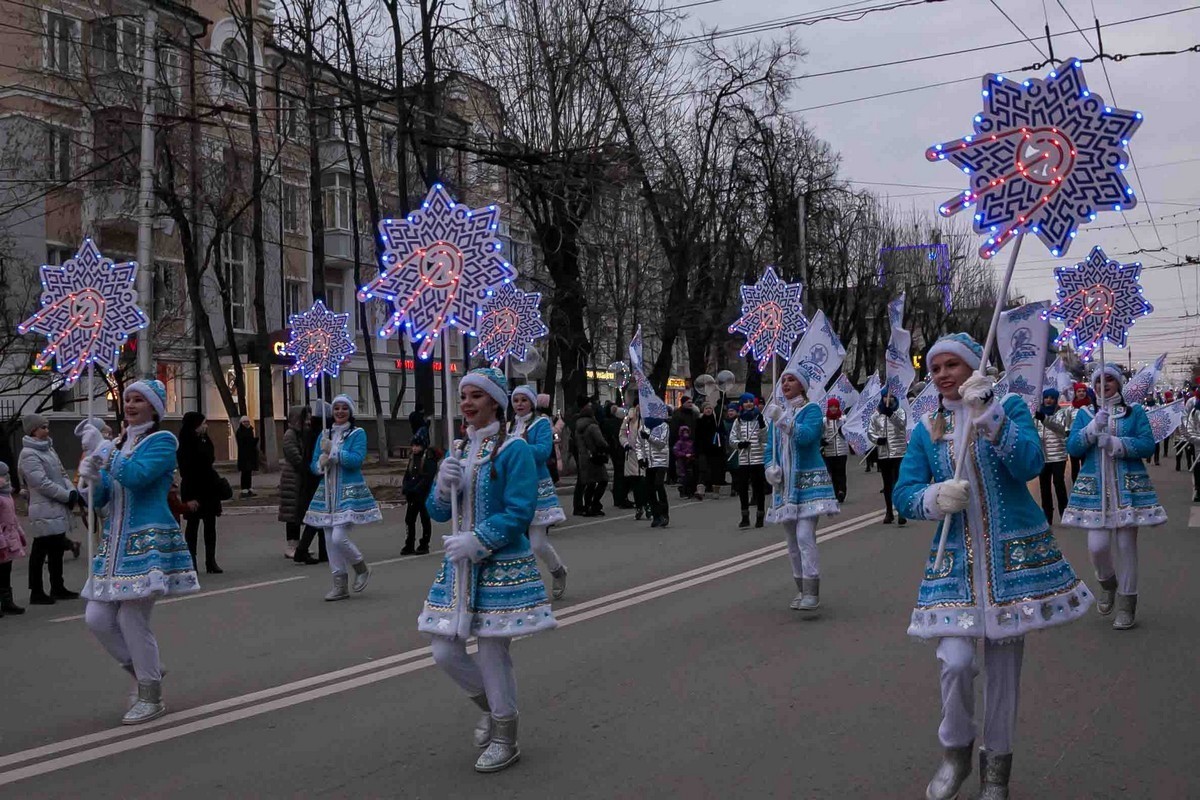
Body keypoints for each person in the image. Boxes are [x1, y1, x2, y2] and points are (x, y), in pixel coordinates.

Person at [893, 334, 1092, 800]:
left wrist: (988, 413)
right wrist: (933, 497)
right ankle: (955, 751)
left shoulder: (1010, 408)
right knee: (955, 661)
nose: (942, 374)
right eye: (935, 367)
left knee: (1004, 674)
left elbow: (1029, 465)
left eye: (951, 365)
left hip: (1013, 561)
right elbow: (904, 493)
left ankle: (996, 773)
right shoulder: (927, 427)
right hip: (955, 565)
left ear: (972, 365)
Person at [419, 368, 556, 774]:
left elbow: (520, 510)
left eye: (476, 396)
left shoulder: (514, 449)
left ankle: (504, 736)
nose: (467, 403)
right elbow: (438, 512)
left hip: (501, 565)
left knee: (493, 652)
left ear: (495, 402)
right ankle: (491, 709)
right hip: (460, 568)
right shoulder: (458, 449)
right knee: (444, 650)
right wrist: (441, 485)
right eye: (464, 396)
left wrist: (478, 540)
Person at [78, 380, 199, 724]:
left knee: (131, 618)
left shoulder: (163, 442)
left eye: (138, 400)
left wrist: (103, 451)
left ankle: (150, 694)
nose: (130, 405)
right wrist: (91, 479)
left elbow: (137, 476)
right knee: (97, 618)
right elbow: (103, 499)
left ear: (154, 409)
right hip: (114, 545)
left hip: (146, 542)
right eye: (127, 399)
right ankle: (147, 670)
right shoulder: (118, 443)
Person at [1063, 363, 1166, 630]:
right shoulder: (1085, 413)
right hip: (1096, 493)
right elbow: (1073, 447)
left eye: (1109, 380)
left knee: (1126, 547)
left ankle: (1127, 604)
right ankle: (1107, 582)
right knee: (1097, 547)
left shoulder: (1135, 412)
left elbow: (1147, 445)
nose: (1103, 385)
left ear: (1119, 383)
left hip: (1128, 491)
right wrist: (1091, 430)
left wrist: (1117, 443)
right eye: (1099, 381)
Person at [764, 369, 840, 611]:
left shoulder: (812, 410)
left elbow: (806, 437)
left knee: (805, 535)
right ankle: (801, 589)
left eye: (791, 379)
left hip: (808, 484)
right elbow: (770, 448)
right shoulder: (778, 414)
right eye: (783, 380)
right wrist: (769, 467)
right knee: (791, 541)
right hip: (785, 486)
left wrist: (782, 419)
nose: (786, 383)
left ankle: (812, 591)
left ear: (802, 386)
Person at [304, 395, 380, 601]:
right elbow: (314, 465)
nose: (339, 412)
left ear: (350, 412)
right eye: (336, 408)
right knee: (330, 541)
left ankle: (361, 568)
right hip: (327, 493)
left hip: (348, 493)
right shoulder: (325, 434)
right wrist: (320, 463)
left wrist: (334, 451)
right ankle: (339, 585)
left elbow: (356, 460)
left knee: (339, 537)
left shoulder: (358, 433)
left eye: (344, 408)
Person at [510, 385, 569, 599]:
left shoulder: (541, 423)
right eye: (516, 400)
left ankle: (558, 570)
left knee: (537, 543)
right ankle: (519, 586)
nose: (519, 404)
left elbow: (544, 451)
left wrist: (521, 447)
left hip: (536, 488)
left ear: (532, 403)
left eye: (523, 400)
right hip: (514, 489)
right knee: (513, 544)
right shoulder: (510, 425)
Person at [18, 413, 80, 604]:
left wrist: (71, 491)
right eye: (43, 427)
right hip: (43, 507)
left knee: (57, 549)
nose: (47, 430)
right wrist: (65, 495)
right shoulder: (29, 454)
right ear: (33, 430)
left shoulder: (49, 449)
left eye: (47, 426)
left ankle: (57, 586)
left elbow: (62, 473)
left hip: (57, 506)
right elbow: (41, 483)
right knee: (40, 550)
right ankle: (36, 591)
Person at [177, 411, 224, 574]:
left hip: (209, 488)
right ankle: (192, 561)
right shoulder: (185, 442)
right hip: (193, 488)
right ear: (195, 425)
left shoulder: (205, 439)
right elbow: (188, 466)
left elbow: (210, 458)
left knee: (210, 524)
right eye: (203, 423)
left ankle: (211, 561)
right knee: (193, 525)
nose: (206, 426)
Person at [292, 405, 328, 565]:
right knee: (318, 516)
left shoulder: (310, 432)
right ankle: (302, 550)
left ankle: (322, 551)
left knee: (320, 516)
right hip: (315, 479)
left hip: (309, 479)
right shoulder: (320, 433)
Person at [869, 392, 908, 525]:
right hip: (884, 453)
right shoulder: (876, 415)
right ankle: (889, 511)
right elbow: (870, 431)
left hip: (899, 453)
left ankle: (901, 512)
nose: (888, 399)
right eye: (886, 396)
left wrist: (890, 414)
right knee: (887, 484)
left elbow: (902, 425)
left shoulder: (900, 412)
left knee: (898, 482)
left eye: (891, 396)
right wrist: (877, 439)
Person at [729, 393, 767, 529]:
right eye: (746, 402)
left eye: (751, 401)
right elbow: (732, 439)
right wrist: (740, 444)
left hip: (758, 459)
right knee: (743, 488)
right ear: (742, 404)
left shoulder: (760, 418)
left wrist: (762, 426)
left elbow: (766, 439)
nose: (748, 404)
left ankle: (760, 516)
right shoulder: (738, 421)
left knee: (759, 488)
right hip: (744, 459)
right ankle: (745, 516)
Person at [279, 406, 311, 560]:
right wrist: (306, 467)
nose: (309, 421)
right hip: (292, 478)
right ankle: (291, 546)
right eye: (306, 418)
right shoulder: (290, 435)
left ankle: (298, 545)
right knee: (291, 513)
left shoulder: (302, 434)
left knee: (297, 512)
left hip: (299, 477)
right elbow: (294, 456)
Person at [1034, 389, 1070, 523]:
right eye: (1046, 397)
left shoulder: (1061, 413)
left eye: (1052, 398)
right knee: (1044, 486)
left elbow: (1062, 430)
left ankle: (1064, 513)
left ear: (1056, 400)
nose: (1048, 400)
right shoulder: (1036, 415)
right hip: (1043, 456)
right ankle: (1047, 516)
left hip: (1058, 455)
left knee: (1059, 483)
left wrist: (1045, 419)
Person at [401, 430, 438, 555]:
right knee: (409, 520)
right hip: (412, 495)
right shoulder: (413, 458)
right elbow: (408, 474)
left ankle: (424, 544)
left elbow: (427, 477)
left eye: (417, 446)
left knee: (424, 519)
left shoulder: (429, 458)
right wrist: (406, 487)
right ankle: (409, 543)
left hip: (424, 495)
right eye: (413, 445)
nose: (414, 448)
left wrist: (416, 489)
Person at [0, 462, 28, 617]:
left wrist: (20, 533)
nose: (5, 479)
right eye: (2, 476)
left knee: (6, 571)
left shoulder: (7, 495)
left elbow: (13, 518)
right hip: (2, 540)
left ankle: (6, 602)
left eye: (6, 475)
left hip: (9, 539)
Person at [574, 398, 609, 517]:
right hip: (595, 457)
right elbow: (600, 441)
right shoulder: (592, 426)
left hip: (583, 457)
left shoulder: (578, 426)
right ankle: (594, 504)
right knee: (603, 480)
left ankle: (587, 506)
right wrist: (607, 446)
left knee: (590, 483)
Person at [619, 398, 648, 520]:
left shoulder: (648, 419)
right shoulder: (629, 419)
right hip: (632, 454)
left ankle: (647, 504)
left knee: (645, 481)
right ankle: (639, 506)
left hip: (646, 454)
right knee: (637, 481)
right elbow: (622, 434)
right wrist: (625, 444)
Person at [640, 411, 670, 527]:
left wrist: (649, 437)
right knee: (649, 488)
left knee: (659, 485)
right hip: (649, 462)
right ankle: (656, 515)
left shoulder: (663, 426)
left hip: (661, 460)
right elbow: (639, 444)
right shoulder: (643, 426)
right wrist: (641, 458)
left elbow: (662, 443)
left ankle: (664, 514)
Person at [821, 398, 849, 504]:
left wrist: (843, 431)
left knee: (841, 471)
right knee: (832, 473)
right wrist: (822, 441)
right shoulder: (824, 421)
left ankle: (842, 491)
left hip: (842, 451)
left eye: (835, 406)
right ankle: (835, 492)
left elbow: (848, 433)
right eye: (831, 407)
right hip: (829, 451)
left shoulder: (843, 419)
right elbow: (821, 434)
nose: (833, 409)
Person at [694, 403, 725, 500]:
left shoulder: (717, 421)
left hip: (716, 450)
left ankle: (716, 491)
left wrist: (719, 433)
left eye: (710, 408)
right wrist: (697, 449)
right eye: (706, 408)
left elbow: (723, 434)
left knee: (716, 470)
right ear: (703, 410)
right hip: (703, 450)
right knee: (702, 470)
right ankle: (700, 491)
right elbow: (696, 436)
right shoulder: (699, 421)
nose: (708, 410)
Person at [673, 425, 698, 500]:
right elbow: (676, 451)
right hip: (682, 461)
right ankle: (683, 491)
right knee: (683, 477)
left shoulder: (691, 442)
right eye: (684, 432)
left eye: (687, 432)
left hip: (690, 460)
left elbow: (694, 450)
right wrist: (684, 455)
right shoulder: (679, 443)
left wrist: (692, 455)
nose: (686, 434)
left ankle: (691, 491)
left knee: (691, 476)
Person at [235, 416, 258, 498]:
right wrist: (252, 442)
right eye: (244, 422)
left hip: (250, 455)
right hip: (244, 455)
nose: (246, 423)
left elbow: (251, 442)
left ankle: (249, 488)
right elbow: (243, 443)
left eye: (247, 421)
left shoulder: (250, 430)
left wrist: (254, 441)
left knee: (249, 472)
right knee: (244, 472)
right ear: (241, 423)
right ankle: (244, 489)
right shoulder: (240, 431)